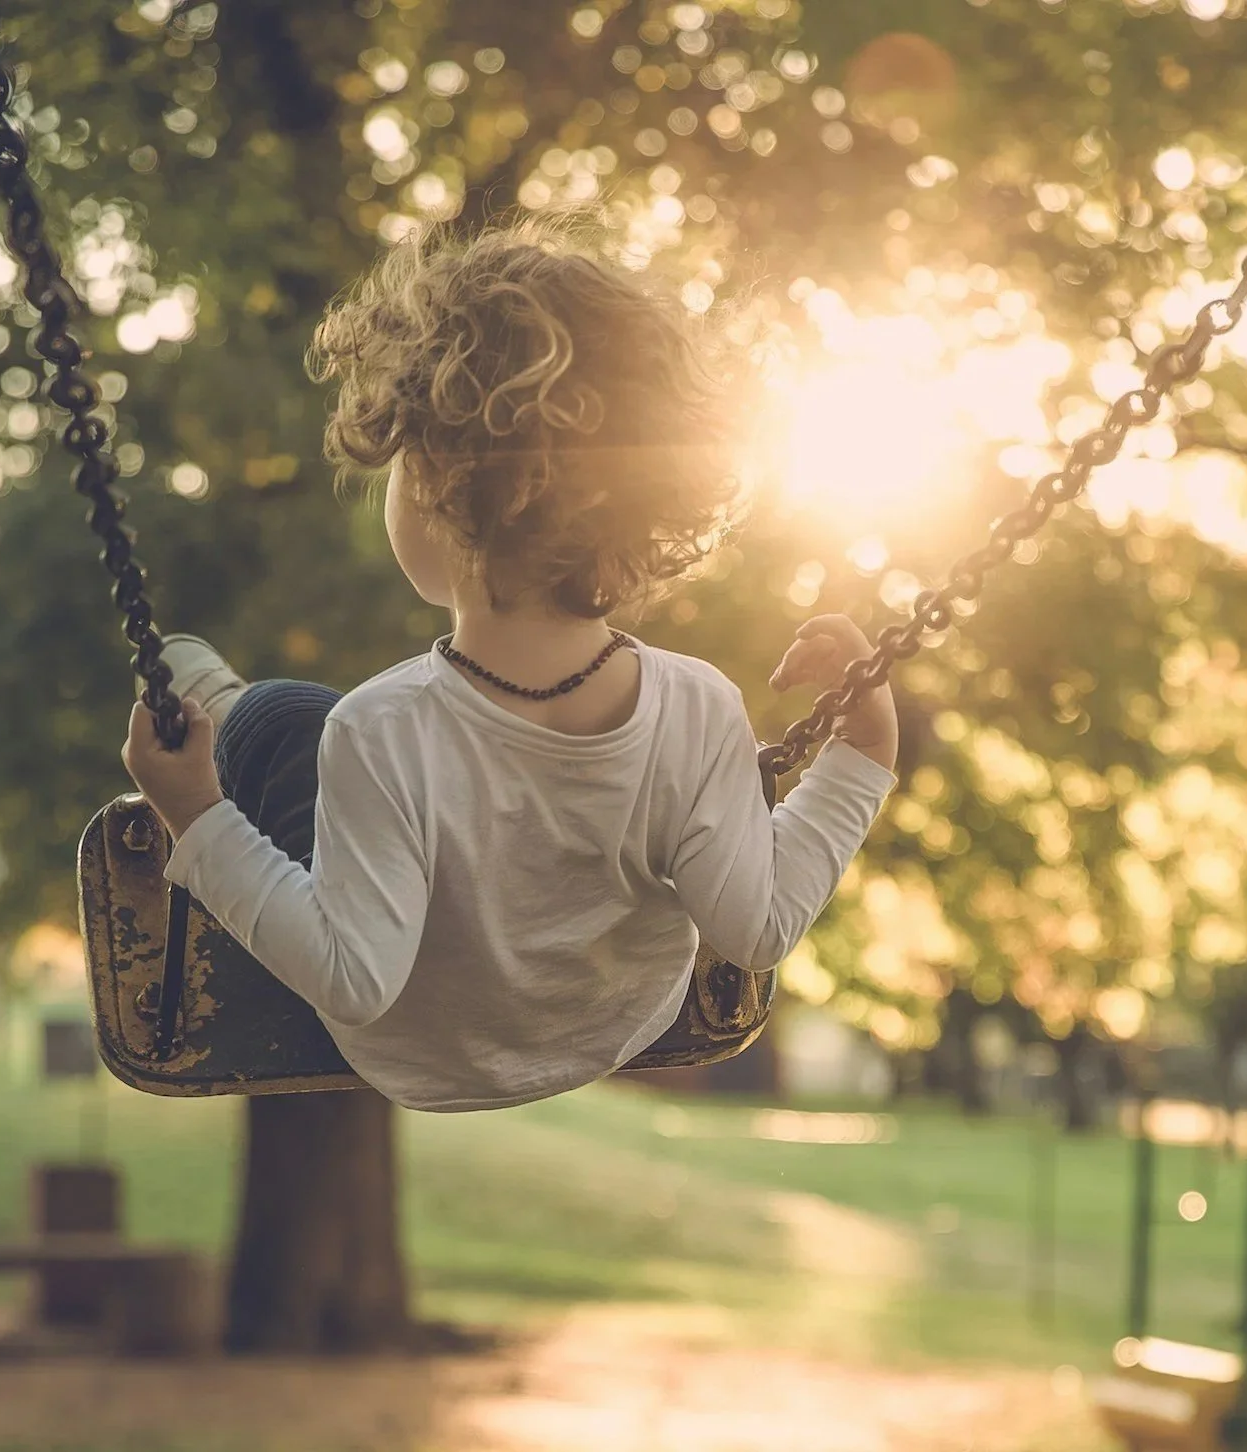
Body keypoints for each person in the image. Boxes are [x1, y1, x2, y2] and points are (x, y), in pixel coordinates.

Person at [121, 219, 897, 1112]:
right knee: (313, 732)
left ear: (443, 482)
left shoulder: (377, 730)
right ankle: (228, 708)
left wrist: (195, 815)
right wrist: (859, 760)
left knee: (282, 719)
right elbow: (756, 928)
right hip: (612, 1029)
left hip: (419, 1052)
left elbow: (353, 979)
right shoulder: (699, 707)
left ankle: (225, 711)